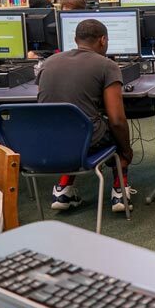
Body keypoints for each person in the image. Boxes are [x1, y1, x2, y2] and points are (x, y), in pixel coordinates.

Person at [36, 18, 133, 212]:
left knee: (72, 128)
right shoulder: (107, 65)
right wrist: (127, 150)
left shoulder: (47, 63)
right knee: (117, 131)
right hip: (87, 139)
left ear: (75, 39)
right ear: (103, 40)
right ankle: (119, 190)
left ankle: (63, 189)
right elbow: (117, 120)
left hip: (49, 140)